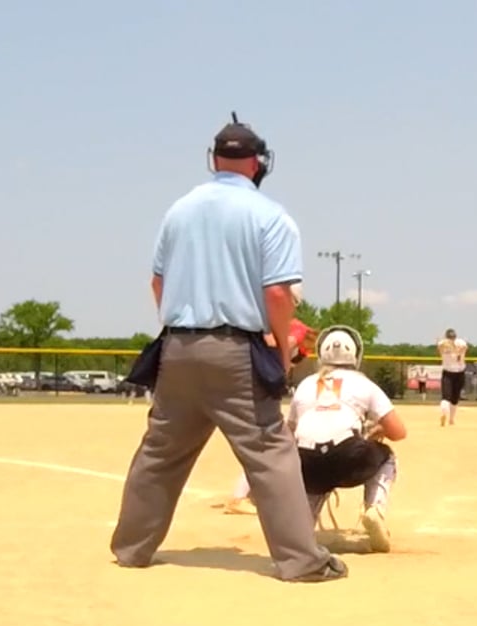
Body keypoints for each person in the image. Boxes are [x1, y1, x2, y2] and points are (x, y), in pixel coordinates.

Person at [111, 115, 346, 583]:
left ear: (213, 160)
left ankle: (131, 548)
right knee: (270, 451)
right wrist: (281, 348)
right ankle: (302, 560)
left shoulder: (179, 211)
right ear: (260, 163)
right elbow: (277, 293)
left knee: (160, 451)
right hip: (235, 350)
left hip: (177, 346)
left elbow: (158, 282)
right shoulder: (270, 215)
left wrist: (182, 326)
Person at [288, 326, 406, 552]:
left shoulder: (305, 384)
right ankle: (375, 510)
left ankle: (303, 524)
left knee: (311, 465)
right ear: (355, 354)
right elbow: (399, 432)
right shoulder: (364, 384)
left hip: (308, 460)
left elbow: (288, 433)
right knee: (387, 456)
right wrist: (377, 429)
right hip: (347, 457)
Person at [223, 317, 311, 516]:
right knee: (262, 443)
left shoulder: (266, 332)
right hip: (254, 386)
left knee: (263, 442)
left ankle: (251, 492)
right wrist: (286, 353)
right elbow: (289, 344)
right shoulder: (296, 331)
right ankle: (238, 497)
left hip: (247, 381)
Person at [436, 328, 469, 427]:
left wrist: (454, 348)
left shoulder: (460, 343)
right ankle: (446, 416)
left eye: (452, 337)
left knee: (453, 397)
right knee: (448, 396)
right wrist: (449, 345)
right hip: (450, 373)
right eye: (450, 337)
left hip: (457, 372)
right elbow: (440, 345)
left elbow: (464, 347)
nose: (452, 339)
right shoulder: (443, 343)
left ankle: (449, 418)